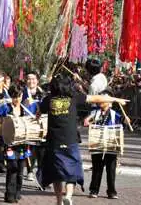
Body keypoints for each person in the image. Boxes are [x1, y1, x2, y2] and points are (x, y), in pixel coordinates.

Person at [37, 74, 127, 205]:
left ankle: (58, 201)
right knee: (72, 170)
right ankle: (68, 195)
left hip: (54, 141)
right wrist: (116, 99)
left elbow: (39, 109)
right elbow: (96, 97)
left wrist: (39, 113)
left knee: (57, 174)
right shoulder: (74, 97)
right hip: (71, 140)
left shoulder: (48, 99)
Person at [86, 90, 130, 199]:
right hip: (98, 143)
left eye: (104, 98)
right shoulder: (95, 112)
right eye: (101, 98)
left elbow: (124, 124)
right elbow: (86, 122)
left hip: (111, 144)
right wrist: (89, 121)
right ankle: (94, 190)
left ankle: (111, 192)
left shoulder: (115, 114)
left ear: (110, 102)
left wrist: (126, 120)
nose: (102, 101)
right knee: (97, 168)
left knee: (111, 169)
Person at [0, 84, 32, 203]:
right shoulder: (5, 108)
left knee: (20, 171)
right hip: (10, 143)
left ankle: (18, 192)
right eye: (14, 96)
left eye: (19, 96)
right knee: (12, 169)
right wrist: (2, 128)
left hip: (22, 143)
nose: (16, 99)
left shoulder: (25, 108)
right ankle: (9, 195)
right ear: (11, 96)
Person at [22, 70, 46, 181]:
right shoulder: (22, 92)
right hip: (28, 123)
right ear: (26, 81)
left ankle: (41, 174)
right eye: (29, 79)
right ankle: (30, 170)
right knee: (29, 148)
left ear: (37, 80)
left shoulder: (43, 92)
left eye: (33, 79)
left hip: (40, 123)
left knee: (41, 150)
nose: (31, 81)